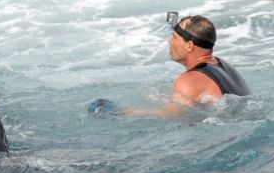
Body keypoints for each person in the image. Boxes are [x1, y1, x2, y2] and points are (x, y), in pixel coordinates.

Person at [105, 13, 250, 116]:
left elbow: (171, 115)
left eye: (174, 37)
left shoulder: (189, 80)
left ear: (189, 46)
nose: (169, 42)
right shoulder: (223, 64)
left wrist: (119, 112)